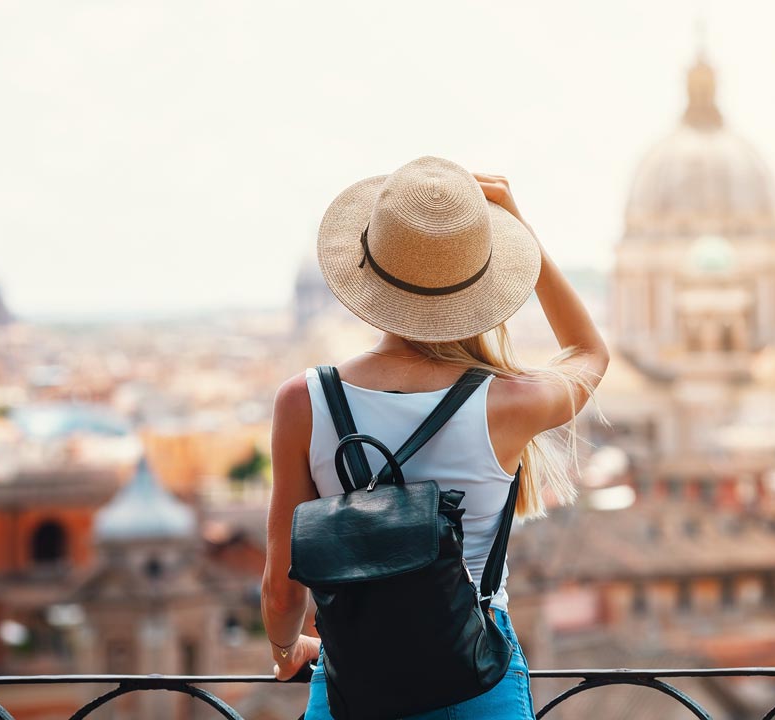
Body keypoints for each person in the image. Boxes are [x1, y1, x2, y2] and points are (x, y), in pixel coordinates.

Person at [260, 156, 609, 719]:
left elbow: (282, 590)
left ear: (371, 273)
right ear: (486, 281)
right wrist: (522, 233)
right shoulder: (509, 402)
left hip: (353, 684)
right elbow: (590, 353)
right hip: (474, 683)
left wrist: (286, 652)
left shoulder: (302, 401)